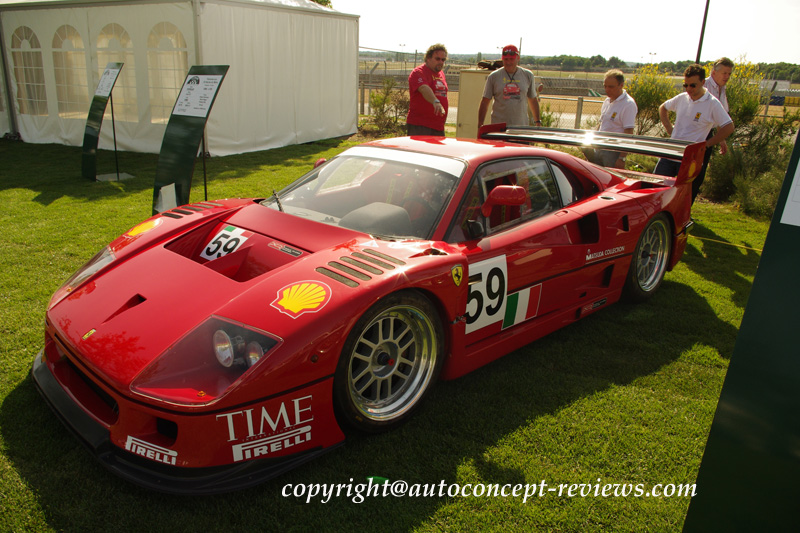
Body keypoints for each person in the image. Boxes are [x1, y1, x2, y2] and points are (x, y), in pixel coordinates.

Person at [654, 64, 734, 203]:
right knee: (655, 187)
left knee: (681, 195)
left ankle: (679, 222)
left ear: (703, 83)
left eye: (693, 85)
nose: (689, 89)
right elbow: (663, 108)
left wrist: (707, 144)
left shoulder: (712, 103)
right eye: (686, 85)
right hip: (671, 152)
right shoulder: (682, 98)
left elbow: (729, 126)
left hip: (690, 158)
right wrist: (669, 129)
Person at [478, 45, 541, 128]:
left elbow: (533, 100)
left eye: (511, 59)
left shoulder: (527, 75)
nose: (508, 62)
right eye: (506, 59)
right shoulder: (493, 77)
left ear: (517, 58)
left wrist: (537, 122)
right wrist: (480, 125)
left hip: (520, 127)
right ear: (502, 59)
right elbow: (485, 101)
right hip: (499, 128)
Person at [696, 57, 734, 184]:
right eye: (724, 73)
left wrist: (721, 138)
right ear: (714, 73)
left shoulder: (722, 88)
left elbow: (721, 116)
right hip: (697, 133)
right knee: (691, 173)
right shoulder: (704, 86)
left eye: (729, 74)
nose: (727, 76)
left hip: (708, 134)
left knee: (699, 174)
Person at [593, 69, 638, 168]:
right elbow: (602, 123)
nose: (607, 90)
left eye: (611, 87)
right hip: (599, 147)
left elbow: (629, 132)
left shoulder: (628, 104)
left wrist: (622, 158)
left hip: (613, 151)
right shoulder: (607, 101)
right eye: (605, 86)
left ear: (621, 85)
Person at [407, 44, 449, 136]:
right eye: (437, 59)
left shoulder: (441, 74)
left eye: (443, 60)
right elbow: (424, 88)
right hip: (420, 126)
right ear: (428, 58)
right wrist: (435, 101)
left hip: (438, 126)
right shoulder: (418, 72)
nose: (441, 62)